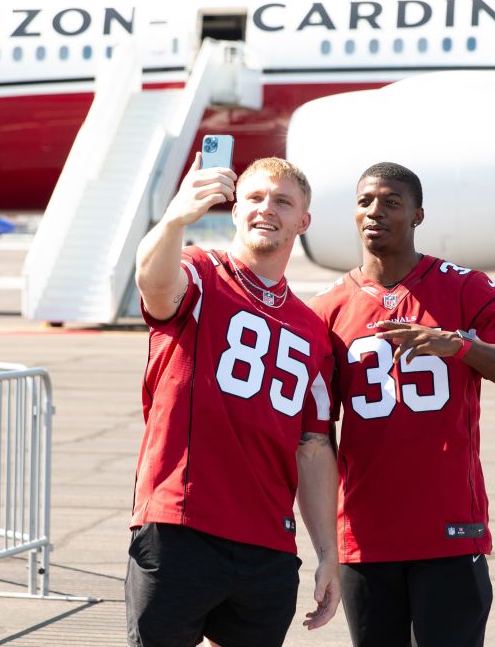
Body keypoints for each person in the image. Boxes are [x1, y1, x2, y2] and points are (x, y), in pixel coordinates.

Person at [310, 162, 495, 647]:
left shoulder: (463, 287)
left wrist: (459, 346)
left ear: (418, 215)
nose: (376, 212)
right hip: (365, 538)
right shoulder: (326, 309)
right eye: (366, 202)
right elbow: (314, 435)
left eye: (392, 202)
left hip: (449, 530)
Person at [127, 153, 341, 646]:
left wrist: (327, 553)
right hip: (181, 525)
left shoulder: (311, 330)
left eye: (283, 202)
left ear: (303, 221)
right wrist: (176, 218)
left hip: (267, 546)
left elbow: (313, 448)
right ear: (236, 208)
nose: (267, 209)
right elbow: (154, 286)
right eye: (255, 198)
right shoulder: (202, 272)